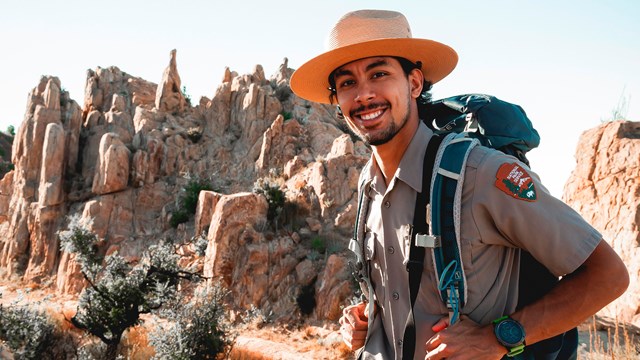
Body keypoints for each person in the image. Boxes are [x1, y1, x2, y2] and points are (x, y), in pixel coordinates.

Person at [289, 9, 629, 360]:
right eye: (347, 83)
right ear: (337, 102)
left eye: (379, 73)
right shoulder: (368, 185)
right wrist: (367, 318)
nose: (363, 95)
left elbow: (608, 275)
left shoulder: (479, 173)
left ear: (415, 83)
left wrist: (500, 337)